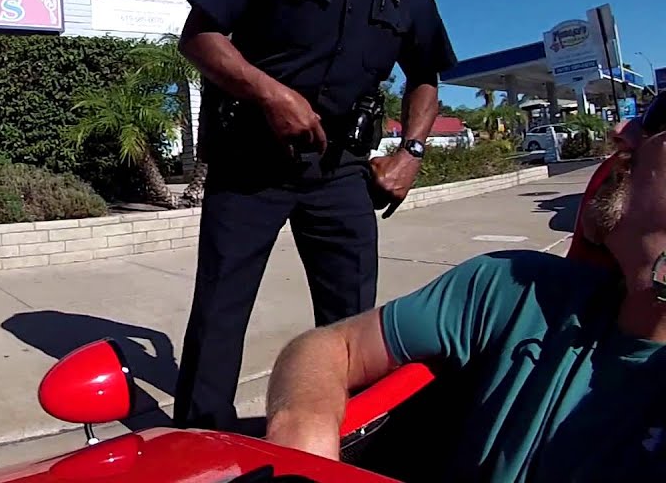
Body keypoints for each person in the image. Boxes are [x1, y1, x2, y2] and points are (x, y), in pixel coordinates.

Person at [172, 0, 458, 431]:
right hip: (252, 161)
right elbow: (199, 37)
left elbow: (427, 73)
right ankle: (200, 438)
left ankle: (346, 435)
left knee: (353, 321)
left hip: (341, 173)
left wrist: (410, 152)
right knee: (222, 308)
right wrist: (271, 94)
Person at [264, 96, 666, 481]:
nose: (622, 131)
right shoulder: (515, 287)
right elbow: (333, 347)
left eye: (659, 119)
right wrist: (304, 437)